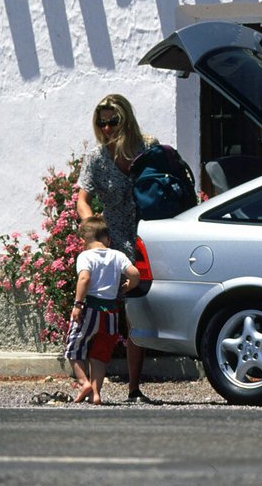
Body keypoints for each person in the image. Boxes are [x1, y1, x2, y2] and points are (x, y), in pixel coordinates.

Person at [76, 94, 159, 404]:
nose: (108, 128)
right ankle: (94, 387)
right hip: (112, 241)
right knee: (104, 315)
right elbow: (81, 199)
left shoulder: (147, 147)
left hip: (146, 238)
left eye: (113, 121)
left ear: (126, 119)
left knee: (135, 314)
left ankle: (134, 388)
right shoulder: (97, 158)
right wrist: (93, 229)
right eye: (102, 122)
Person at [64, 216, 139, 405]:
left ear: (84, 240)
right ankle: (96, 394)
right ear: (107, 239)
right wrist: (128, 285)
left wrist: (77, 305)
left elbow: (84, 279)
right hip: (111, 312)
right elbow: (135, 274)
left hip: (90, 307)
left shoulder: (85, 256)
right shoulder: (118, 255)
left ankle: (84, 383)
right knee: (100, 353)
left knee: (74, 347)